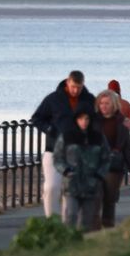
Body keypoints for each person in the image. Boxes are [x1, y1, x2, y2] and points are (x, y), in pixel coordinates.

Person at [32, 71, 96, 217]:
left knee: (71, 190)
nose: (75, 90)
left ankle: (68, 222)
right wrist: (50, 129)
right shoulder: (53, 99)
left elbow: (97, 120)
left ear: (83, 85)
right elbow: (37, 118)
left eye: (79, 87)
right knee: (52, 187)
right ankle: (51, 220)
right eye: (73, 86)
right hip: (53, 149)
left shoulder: (88, 100)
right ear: (68, 82)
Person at [53, 106, 109, 230]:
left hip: (91, 185)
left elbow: (106, 159)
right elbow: (57, 157)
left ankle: (85, 246)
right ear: (76, 120)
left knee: (87, 221)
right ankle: (68, 243)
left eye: (87, 119)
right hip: (72, 184)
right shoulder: (67, 137)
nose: (84, 122)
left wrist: (99, 175)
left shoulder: (98, 138)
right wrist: (66, 170)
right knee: (70, 216)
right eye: (81, 119)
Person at [94, 90, 130, 229]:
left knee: (109, 197)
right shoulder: (94, 122)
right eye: (101, 103)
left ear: (113, 104)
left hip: (114, 165)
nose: (104, 106)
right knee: (96, 195)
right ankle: (94, 226)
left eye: (107, 103)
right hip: (96, 163)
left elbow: (128, 148)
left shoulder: (122, 123)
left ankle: (108, 225)